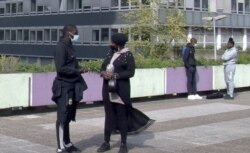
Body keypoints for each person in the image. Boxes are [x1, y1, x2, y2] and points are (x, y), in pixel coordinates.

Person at [97, 33, 155, 153]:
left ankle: (123, 144)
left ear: (117, 43)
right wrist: (103, 73)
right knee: (109, 116)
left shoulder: (127, 55)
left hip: (120, 90)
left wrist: (115, 75)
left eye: (112, 41)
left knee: (122, 117)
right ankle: (106, 142)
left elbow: (130, 72)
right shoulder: (109, 53)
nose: (110, 43)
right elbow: (102, 67)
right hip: (108, 89)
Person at [52, 25, 88, 153]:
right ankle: (61, 147)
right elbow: (61, 68)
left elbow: (71, 65)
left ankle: (67, 143)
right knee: (62, 116)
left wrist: (80, 69)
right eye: (76, 33)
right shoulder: (60, 47)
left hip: (72, 86)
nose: (77, 35)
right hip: (64, 87)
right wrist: (78, 70)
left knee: (68, 116)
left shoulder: (70, 46)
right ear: (69, 33)